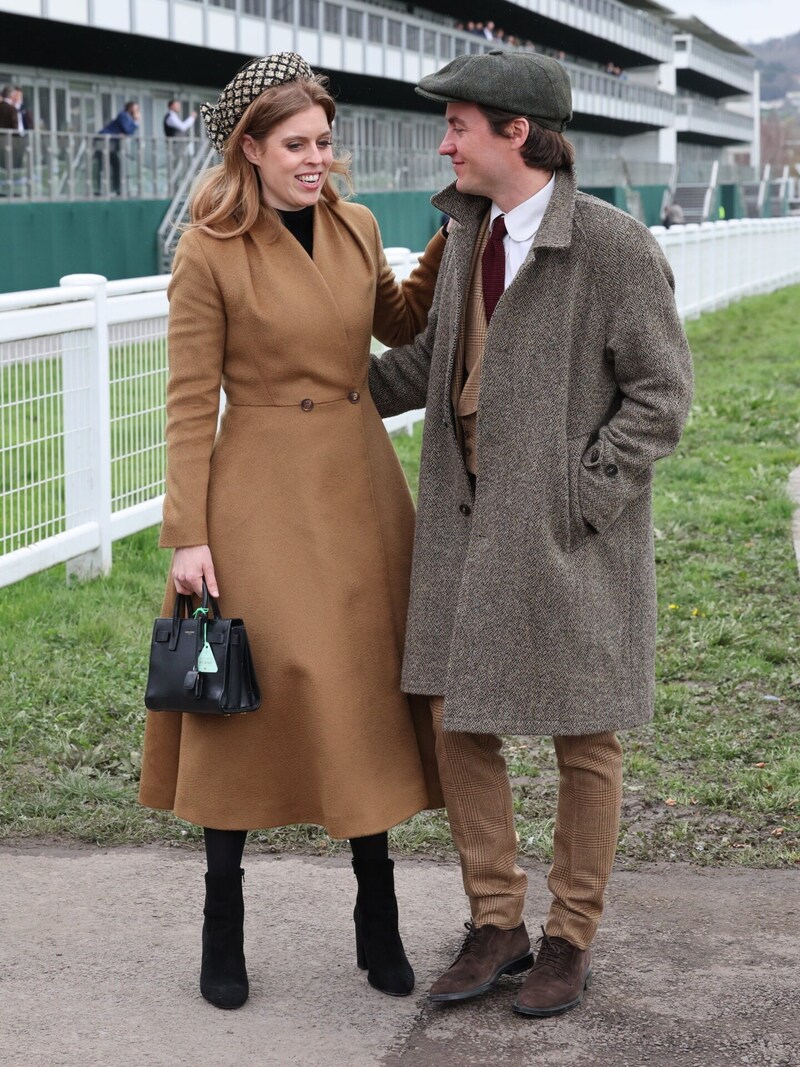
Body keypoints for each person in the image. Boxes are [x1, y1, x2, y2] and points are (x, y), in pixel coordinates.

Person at [368, 49, 693, 1018]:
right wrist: (299, 374)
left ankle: (568, 938)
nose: (444, 141)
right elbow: (421, 366)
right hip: (466, 528)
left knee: (581, 732)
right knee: (453, 714)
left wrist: (577, 494)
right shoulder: (465, 233)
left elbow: (661, 395)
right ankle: (496, 920)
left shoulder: (611, 244)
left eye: (458, 123)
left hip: (563, 534)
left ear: (516, 131)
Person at [138, 52, 445, 1011]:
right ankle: (220, 926)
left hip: (357, 488)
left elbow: (397, 325)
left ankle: (377, 918)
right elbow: (190, 403)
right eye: (298, 145)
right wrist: (188, 533)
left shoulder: (357, 226)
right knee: (246, 699)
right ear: (252, 150)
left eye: (324, 141)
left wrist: (449, 239)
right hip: (258, 495)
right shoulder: (210, 249)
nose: (318, 159)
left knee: (360, 690)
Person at [94, 100, 140, 194]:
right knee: (103, 166)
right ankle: (99, 190)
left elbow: (128, 132)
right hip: (104, 141)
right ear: (130, 108)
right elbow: (128, 131)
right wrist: (136, 121)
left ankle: (116, 189)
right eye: (136, 109)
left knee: (115, 165)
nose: (137, 111)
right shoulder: (124, 115)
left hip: (110, 144)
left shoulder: (127, 118)